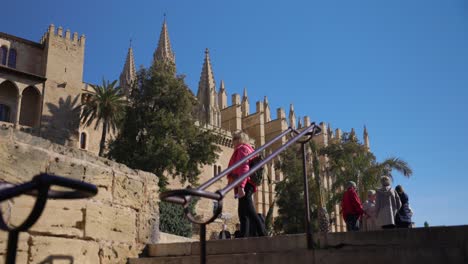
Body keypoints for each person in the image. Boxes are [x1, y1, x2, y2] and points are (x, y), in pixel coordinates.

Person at [227, 130, 266, 237]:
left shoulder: (242, 149)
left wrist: (241, 186)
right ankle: (244, 235)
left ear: (240, 139)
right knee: (242, 212)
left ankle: (263, 232)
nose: (233, 142)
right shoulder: (249, 149)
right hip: (247, 183)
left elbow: (244, 168)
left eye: (234, 139)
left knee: (249, 210)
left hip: (245, 183)